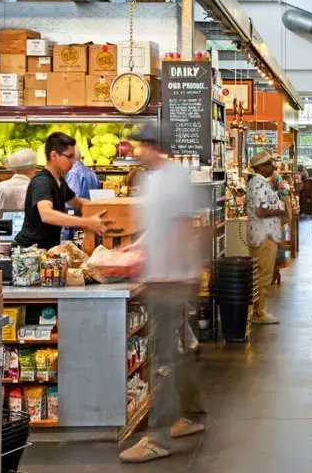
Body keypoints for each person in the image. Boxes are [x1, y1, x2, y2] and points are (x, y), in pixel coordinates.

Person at [119, 122, 207, 463]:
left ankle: (157, 438)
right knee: (182, 352)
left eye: (141, 145)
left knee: (162, 357)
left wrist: (180, 271)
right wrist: (135, 248)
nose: (137, 151)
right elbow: (156, 227)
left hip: (170, 280)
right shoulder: (151, 179)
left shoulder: (173, 179)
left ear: (155, 146)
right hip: (162, 275)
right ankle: (194, 416)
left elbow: (185, 226)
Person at [13, 132, 110, 250]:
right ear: (54, 156)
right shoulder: (42, 182)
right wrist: (86, 222)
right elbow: (47, 214)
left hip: (46, 250)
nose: (73, 161)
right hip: (29, 253)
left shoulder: (59, 181)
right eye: (70, 157)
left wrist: (110, 210)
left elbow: (79, 203)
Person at [245, 151, 285, 324]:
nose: (273, 167)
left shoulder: (257, 182)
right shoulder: (260, 184)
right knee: (263, 274)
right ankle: (258, 313)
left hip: (260, 234)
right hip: (264, 235)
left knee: (259, 273)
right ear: (260, 167)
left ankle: (257, 310)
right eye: (269, 164)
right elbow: (261, 211)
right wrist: (279, 210)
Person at [0, 148, 36, 218]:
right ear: (32, 169)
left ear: (14, 168)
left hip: (3, 228)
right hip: (27, 228)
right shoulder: (36, 188)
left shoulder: (1, 187)